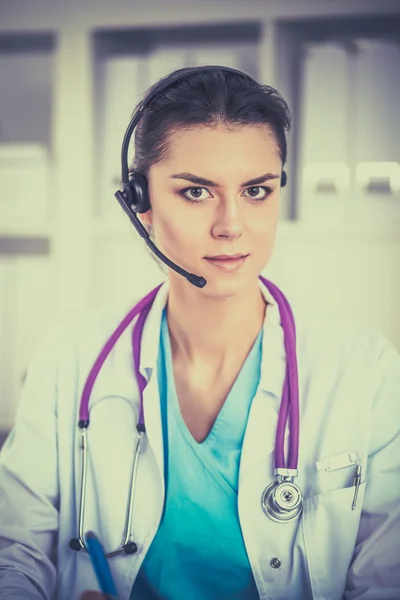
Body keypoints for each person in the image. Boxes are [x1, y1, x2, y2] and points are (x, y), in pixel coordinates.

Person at [0, 66, 399, 600]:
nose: (231, 224)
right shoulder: (69, 358)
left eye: (256, 190)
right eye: (196, 193)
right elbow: (17, 551)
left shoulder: (364, 368)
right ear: (139, 202)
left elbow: (385, 577)